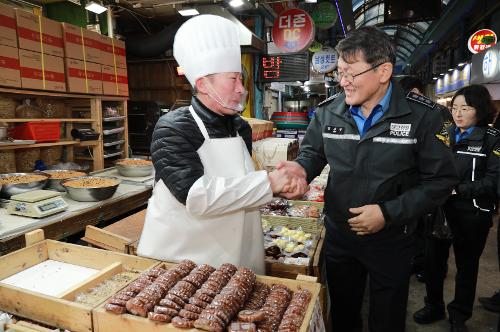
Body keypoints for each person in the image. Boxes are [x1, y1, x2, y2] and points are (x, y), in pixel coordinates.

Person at [277, 26, 458, 332]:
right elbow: (312, 154)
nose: (343, 81)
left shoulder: (423, 117)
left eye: (351, 72)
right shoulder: (329, 112)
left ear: (384, 71)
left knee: (387, 318)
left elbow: (441, 181)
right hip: (339, 235)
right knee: (344, 313)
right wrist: (301, 170)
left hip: (393, 238)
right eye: (340, 72)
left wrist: (387, 213)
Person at [137, 14, 299, 274]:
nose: (240, 88)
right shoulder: (173, 128)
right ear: (203, 84)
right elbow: (196, 196)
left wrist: (278, 187)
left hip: (239, 256)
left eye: (241, 79)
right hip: (186, 264)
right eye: (232, 79)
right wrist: (268, 183)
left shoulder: (240, 127)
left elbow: (240, 183)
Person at [414, 85, 500, 332]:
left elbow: (494, 180)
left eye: (466, 108)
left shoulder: (491, 140)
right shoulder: (443, 134)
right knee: (433, 261)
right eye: (455, 108)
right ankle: (433, 305)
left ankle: (459, 315)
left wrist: (459, 190)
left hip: (472, 214)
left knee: (467, 265)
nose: (458, 113)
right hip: (439, 210)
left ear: (480, 110)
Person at [399, 76, 454, 282]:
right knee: (416, 226)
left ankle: (432, 269)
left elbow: (446, 146)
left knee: (433, 230)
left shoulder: (436, 112)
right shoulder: (408, 112)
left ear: (415, 91)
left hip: (431, 179)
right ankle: (418, 260)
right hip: (414, 179)